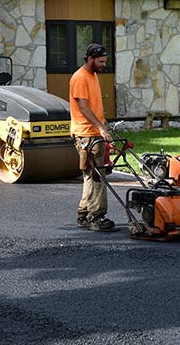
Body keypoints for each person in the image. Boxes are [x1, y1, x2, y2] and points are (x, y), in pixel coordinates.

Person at [70, 43, 115, 231]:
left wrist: (104, 125)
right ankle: (96, 216)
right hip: (87, 135)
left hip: (93, 132)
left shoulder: (93, 75)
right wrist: (101, 129)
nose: (104, 64)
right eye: (101, 61)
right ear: (90, 59)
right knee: (98, 176)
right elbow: (82, 106)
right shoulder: (80, 77)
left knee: (90, 175)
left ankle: (83, 214)